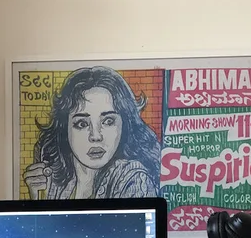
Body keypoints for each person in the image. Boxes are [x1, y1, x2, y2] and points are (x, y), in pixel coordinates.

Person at [24, 66, 161, 200]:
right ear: (65, 129)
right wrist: (37, 202)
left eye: (108, 121)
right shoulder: (55, 182)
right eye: (82, 124)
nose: (95, 136)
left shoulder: (134, 180)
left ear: (125, 125)